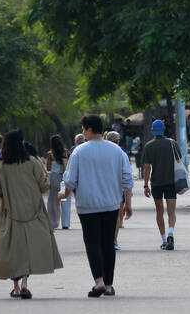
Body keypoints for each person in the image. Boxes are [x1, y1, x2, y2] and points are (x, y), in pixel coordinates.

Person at [60, 115, 133, 298]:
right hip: (111, 204)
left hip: (87, 206)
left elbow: (70, 180)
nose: (83, 133)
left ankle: (98, 281)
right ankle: (109, 285)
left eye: (84, 129)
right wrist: (128, 204)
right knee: (108, 243)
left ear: (90, 129)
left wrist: (64, 195)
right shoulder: (117, 151)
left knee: (92, 243)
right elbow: (127, 180)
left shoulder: (79, 152)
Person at [0, 130, 63, 299]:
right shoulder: (32, 162)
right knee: (29, 249)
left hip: (9, 213)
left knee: (13, 249)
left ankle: (15, 287)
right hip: (33, 212)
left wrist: (3, 202)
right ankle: (25, 284)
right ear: (20, 143)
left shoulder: (0, 166)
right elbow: (44, 185)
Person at [142, 119, 182, 250]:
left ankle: (164, 240)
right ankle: (171, 233)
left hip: (156, 183)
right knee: (172, 212)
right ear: (164, 129)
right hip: (171, 182)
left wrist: (146, 185)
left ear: (153, 130)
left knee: (159, 212)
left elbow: (147, 167)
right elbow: (178, 160)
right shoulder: (172, 143)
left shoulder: (149, 146)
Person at [105, 131, 126, 250]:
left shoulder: (101, 152)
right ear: (118, 141)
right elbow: (126, 173)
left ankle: (107, 239)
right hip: (118, 187)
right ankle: (114, 240)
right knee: (116, 214)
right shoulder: (121, 153)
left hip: (104, 187)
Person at [46, 135, 69, 230]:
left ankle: (53, 222)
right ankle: (65, 223)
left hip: (54, 178)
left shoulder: (50, 154)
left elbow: (48, 168)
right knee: (64, 201)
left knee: (53, 201)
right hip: (64, 178)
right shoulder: (65, 152)